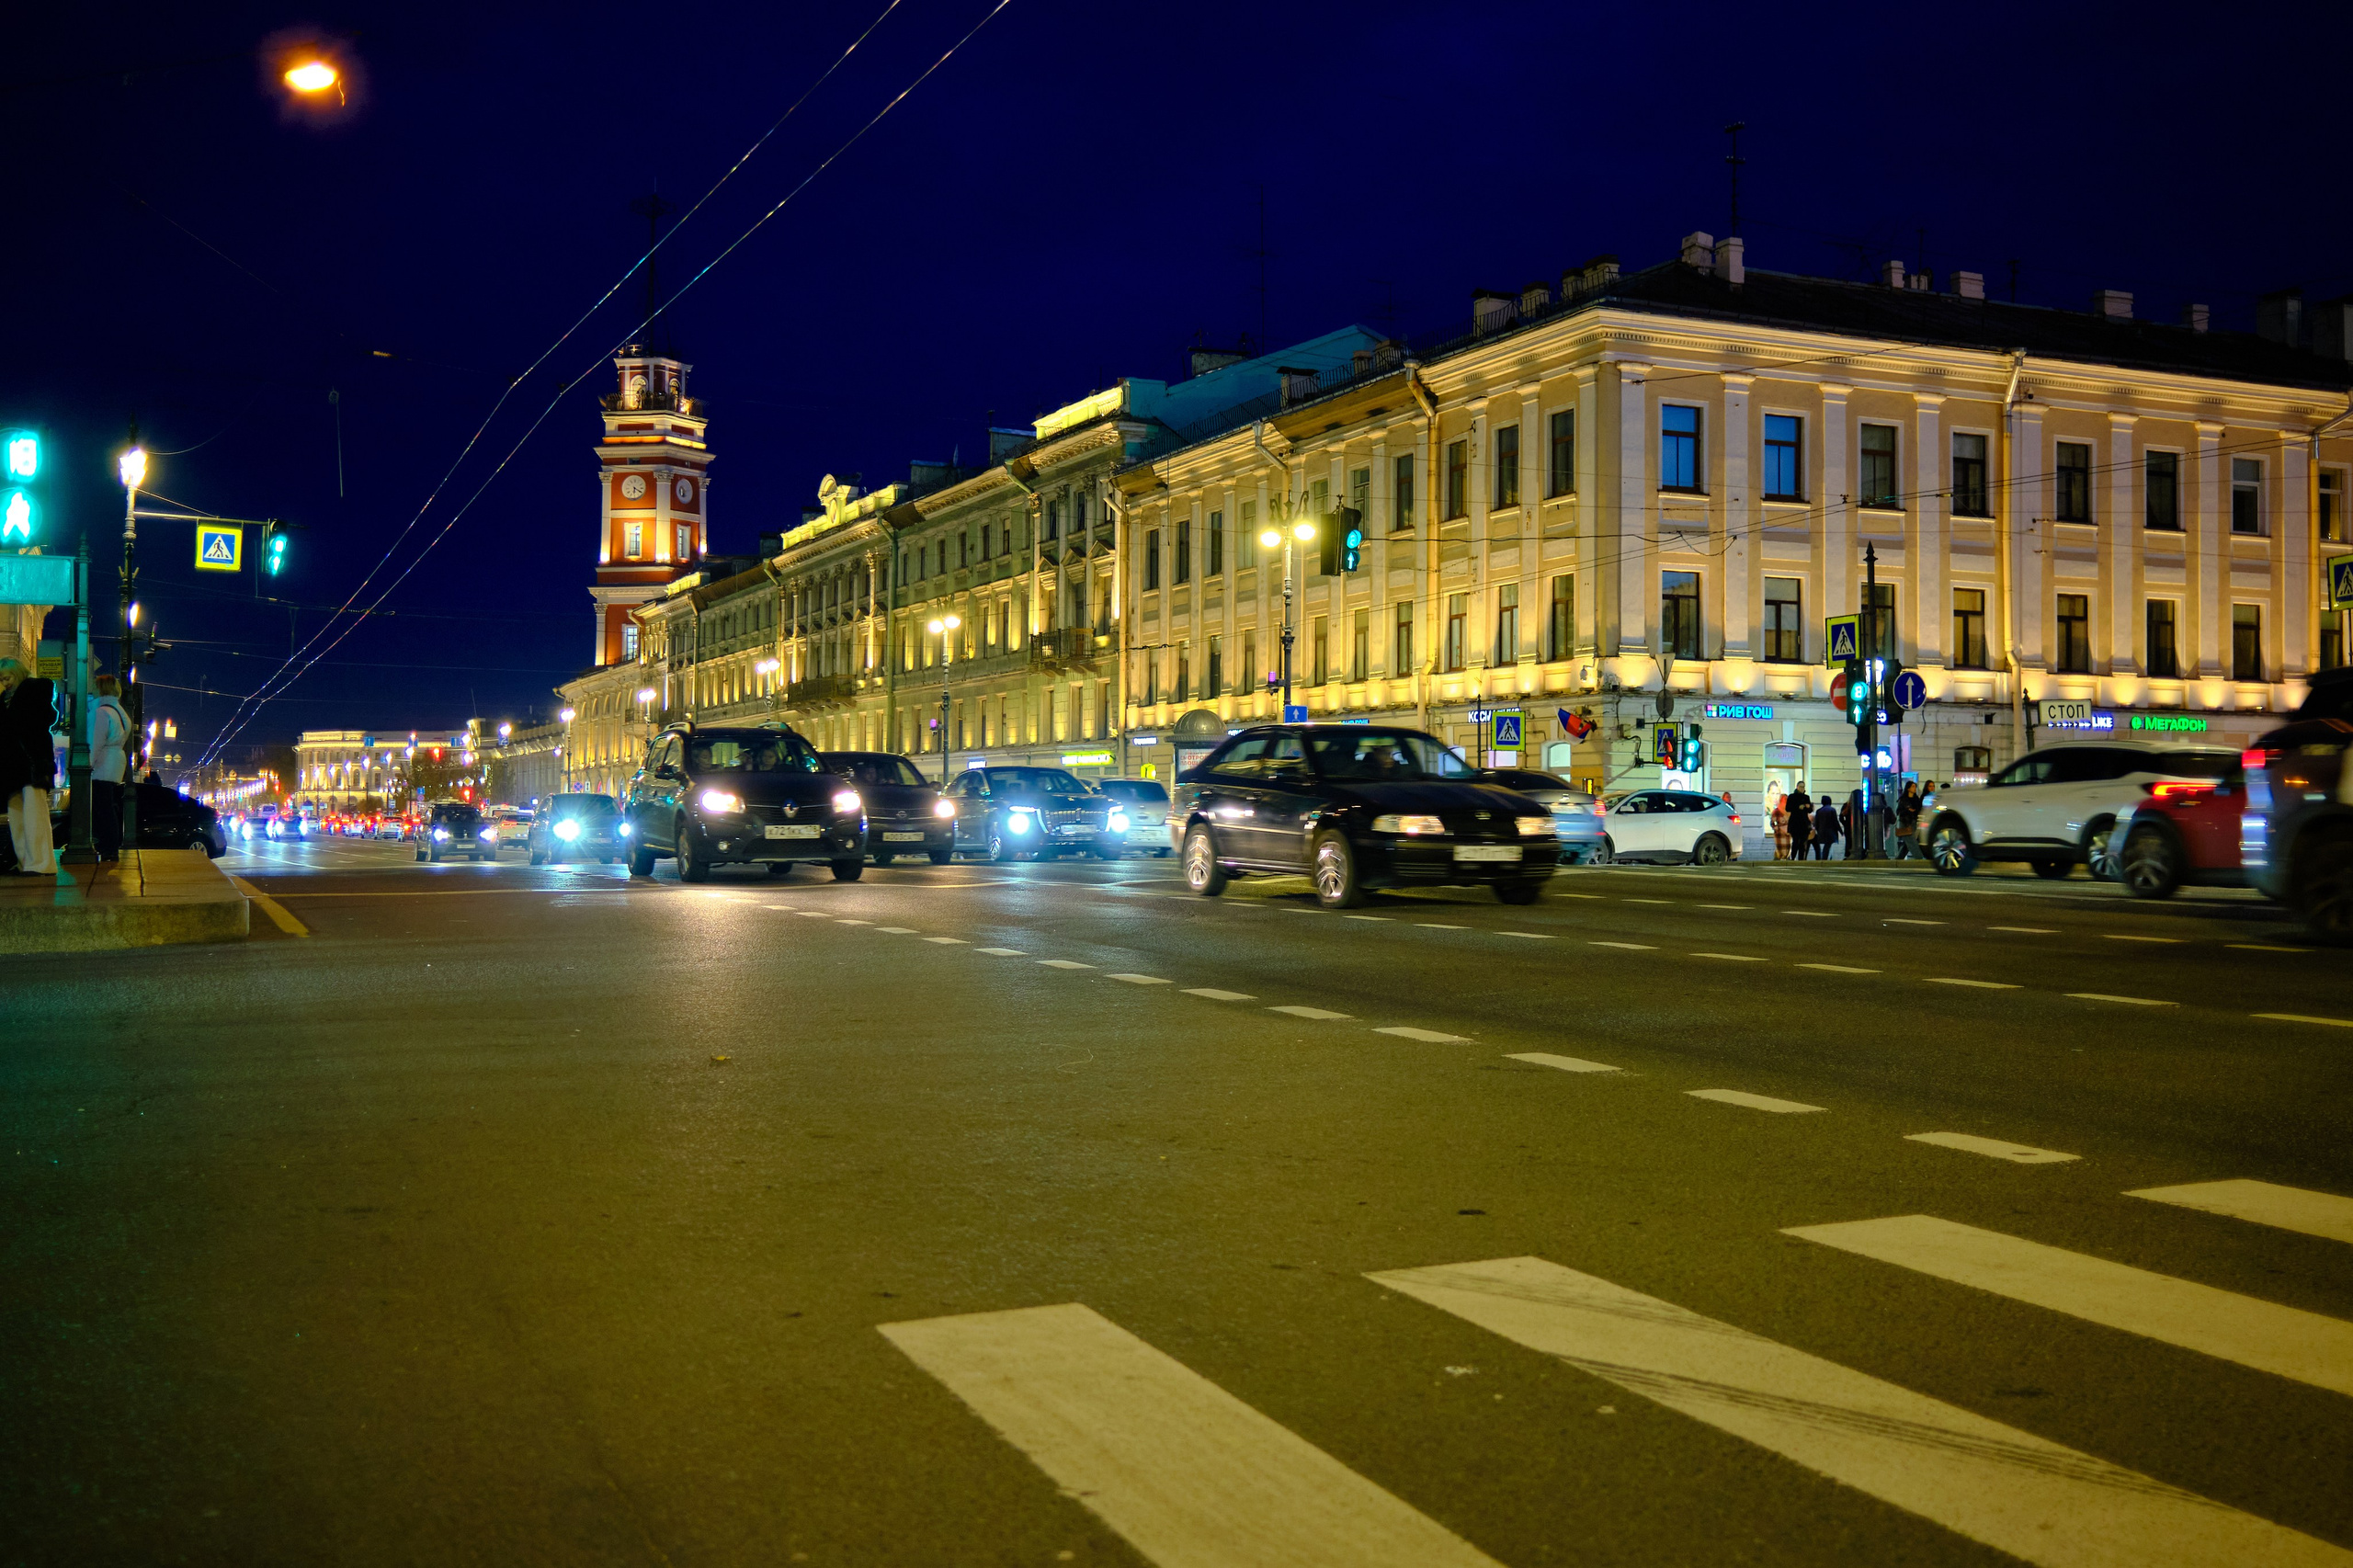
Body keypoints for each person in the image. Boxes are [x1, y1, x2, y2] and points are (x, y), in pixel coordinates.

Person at [0, 657, 61, 876]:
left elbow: (45, 718)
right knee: (16, 815)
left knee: (35, 813)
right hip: (11, 765)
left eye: (7, 677)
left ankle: (41, 863)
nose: (5, 683)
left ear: (17, 673)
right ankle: (25, 862)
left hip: (32, 761)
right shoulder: (5, 699)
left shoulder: (35, 690)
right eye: (2, 679)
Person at [89, 673, 131, 864]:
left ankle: (107, 848)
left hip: (103, 765)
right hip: (116, 763)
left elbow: (95, 742)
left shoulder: (101, 712)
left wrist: (86, 766)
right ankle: (111, 847)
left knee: (102, 808)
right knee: (110, 807)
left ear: (101, 689)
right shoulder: (120, 712)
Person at [1893, 781, 1922, 860]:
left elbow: (1919, 809)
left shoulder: (1916, 799)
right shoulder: (1903, 799)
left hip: (1913, 822)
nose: (1914, 788)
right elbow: (1898, 811)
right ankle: (1919, 857)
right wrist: (1908, 810)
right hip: (1905, 822)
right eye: (1913, 786)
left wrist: (1914, 811)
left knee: (1907, 842)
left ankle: (1899, 858)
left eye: (1915, 787)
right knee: (1911, 840)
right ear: (1908, 788)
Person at [1786, 789, 1813, 860]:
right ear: (1797, 787)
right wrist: (1798, 807)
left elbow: (1810, 810)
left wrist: (1808, 807)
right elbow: (1788, 808)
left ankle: (1801, 859)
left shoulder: (1806, 797)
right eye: (1801, 786)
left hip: (1804, 823)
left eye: (1803, 787)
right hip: (1795, 823)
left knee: (1803, 843)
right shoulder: (1791, 797)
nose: (1802, 788)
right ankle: (1792, 857)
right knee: (1796, 841)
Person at [1811, 796, 1840, 860]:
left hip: (1822, 831)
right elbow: (1835, 822)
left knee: (1827, 845)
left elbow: (1816, 823)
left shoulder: (1819, 811)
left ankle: (1824, 858)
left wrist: (1818, 830)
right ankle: (1825, 858)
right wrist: (1840, 830)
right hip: (1831, 831)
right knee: (1828, 845)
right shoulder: (1832, 810)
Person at [1769, 790, 1790, 859]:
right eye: (1783, 800)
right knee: (1780, 850)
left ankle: (1787, 859)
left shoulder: (1790, 811)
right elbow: (1773, 822)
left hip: (1788, 834)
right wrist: (1776, 828)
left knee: (1788, 848)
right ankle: (1778, 860)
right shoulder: (1777, 811)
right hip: (1780, 834)